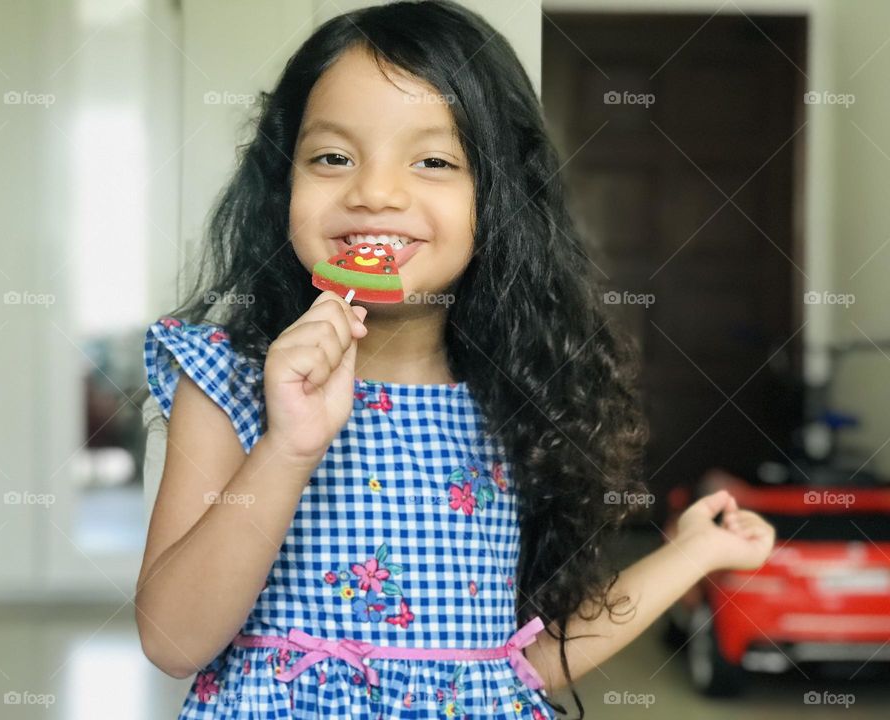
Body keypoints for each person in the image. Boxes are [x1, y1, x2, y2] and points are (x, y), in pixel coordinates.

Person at [134, 2, 776, 718]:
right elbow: (172, 639)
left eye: (434, 161)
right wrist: (287, 448)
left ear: (497, 200)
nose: (374, 192)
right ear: (284, 182)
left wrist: (693, 553)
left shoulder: (519, 401)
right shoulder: (229, 379)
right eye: (332, 157)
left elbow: (521, 666)